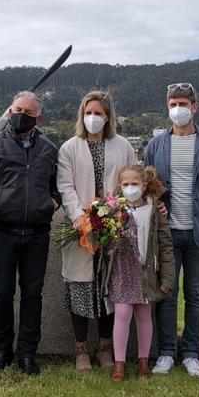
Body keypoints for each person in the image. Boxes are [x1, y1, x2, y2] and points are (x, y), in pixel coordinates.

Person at [0, 91, 61, 376]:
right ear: (9, 109)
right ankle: (2, 350)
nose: (20, 116)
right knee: (2, 293)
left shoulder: (49, 149)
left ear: (38, 118)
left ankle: (27, 353)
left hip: (37, 232)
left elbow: (57, 185)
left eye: (28, 113)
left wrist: (53, 201)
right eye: (17, 109)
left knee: (33, 294)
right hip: (2, 230)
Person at [144, 83, 199, 378]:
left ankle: (191, 353)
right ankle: (166, 352)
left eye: (183, 103)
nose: (177, 109)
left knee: (195, 294)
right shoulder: (155, 146)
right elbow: (147, 188)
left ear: (195, 106)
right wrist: (157, 204)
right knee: (166, 293)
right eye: (172, 103)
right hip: (166, 235)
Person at [56, 91, 137, 371]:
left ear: (108, 116)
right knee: (79, 285)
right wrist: (78, 215)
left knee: (108, 287)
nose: (93, 118)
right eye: (89, 113)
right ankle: (80, 350)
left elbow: (131, 181)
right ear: (81, 115)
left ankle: (104, 347)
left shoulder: (123, 145)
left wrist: (116, 210)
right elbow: (65, 186)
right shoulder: (69, 147)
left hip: (113, 225)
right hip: (80, 227)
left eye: (99, 113)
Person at [107, 165, 174, 380]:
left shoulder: (154, 210)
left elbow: (165, 245)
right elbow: (105, 243)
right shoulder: (114, 210)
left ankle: (143, 361)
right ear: (119, 186)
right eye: (125, 184)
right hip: (121, 271)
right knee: (122, 314)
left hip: (145, 271)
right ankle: (119, 363)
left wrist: (167, 277)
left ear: (144, 185)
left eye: (134, 184)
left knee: (144, 315)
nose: (130, 188)